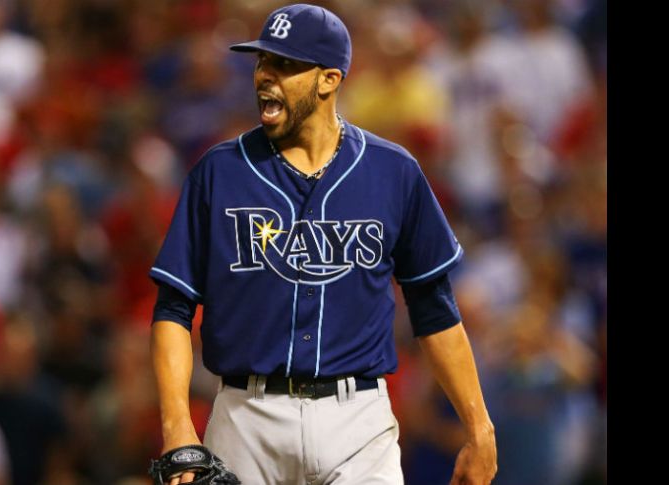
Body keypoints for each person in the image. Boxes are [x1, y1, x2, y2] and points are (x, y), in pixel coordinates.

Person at [148, 4, 497, 484]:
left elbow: (434, 307)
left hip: (357, 421)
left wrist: (479, 428)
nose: (265, 75)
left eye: (285, 64)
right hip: (246, 417)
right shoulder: (220, 172)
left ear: (329, 80)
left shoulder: (392, 172)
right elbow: (173, 307)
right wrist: (177, 426)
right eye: (262, 61)